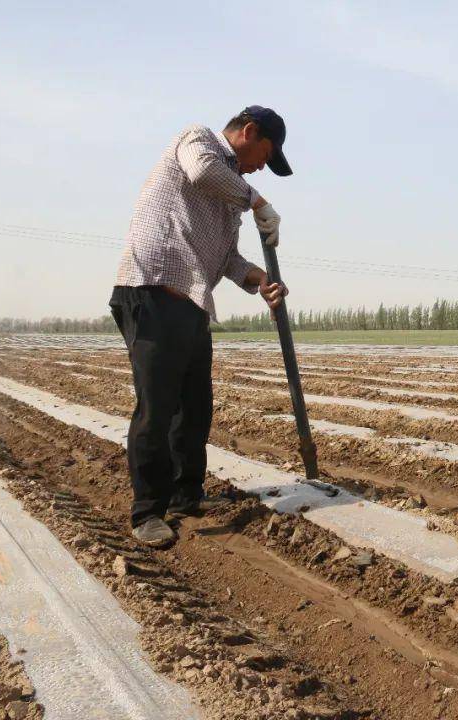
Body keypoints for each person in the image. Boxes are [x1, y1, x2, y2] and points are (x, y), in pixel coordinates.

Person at [110, 106, 291, 545]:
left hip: (192, 304)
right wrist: (257, 201)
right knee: (156, 409)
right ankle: (146, 512)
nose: (262, 168)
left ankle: (185, 495)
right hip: (151, 292)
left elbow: (227, 259)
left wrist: (261, 281)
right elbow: (201, 171)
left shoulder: (231, 202)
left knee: (193, 409)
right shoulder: (198, 141)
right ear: (248, 132)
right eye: (265, 154)